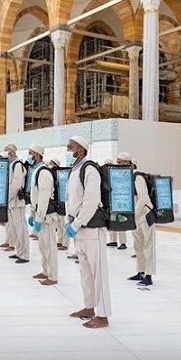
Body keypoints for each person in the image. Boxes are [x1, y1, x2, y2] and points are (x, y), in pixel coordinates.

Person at [64, 135, 111, 329]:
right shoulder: (73, 171)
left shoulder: (89, 169)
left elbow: (91, 201)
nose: (67, 150)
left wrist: (76, 225)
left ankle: (103, 315)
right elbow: (70, 199)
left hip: (91, 228)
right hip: (78, 228)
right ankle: (89, 307)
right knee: (85, 272)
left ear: (80, 150)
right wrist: (69, 221)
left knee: (98, 273)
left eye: (70, 147)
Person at [117, 152, 156, 286]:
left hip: (145, 215)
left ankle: (149, 275)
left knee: (148, 246)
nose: (119, 164)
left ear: (130, 164)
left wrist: (133, 215)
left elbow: (143, 198)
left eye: (121, 162)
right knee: (138, 245)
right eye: (118, 162)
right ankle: (140, 271)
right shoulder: (126, 178)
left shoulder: (137, 177)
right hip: (136, 216)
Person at [28, 144, 59, 285]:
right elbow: (35, 195)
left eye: (31, 153)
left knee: (50, 247)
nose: (29, 156)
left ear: (38, 155)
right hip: (40, 214)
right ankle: (45, 271)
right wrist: (32, 213)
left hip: (47, 215)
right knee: (42, 246)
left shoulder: (44, 172)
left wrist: (39, 217)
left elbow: (44, 196)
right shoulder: (37, 171)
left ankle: (52, 276)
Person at [5, 143, 29, 263]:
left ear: (12, 152)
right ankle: (19, 251)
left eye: (7, 151)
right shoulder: (12, 164)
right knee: (15, 228)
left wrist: (8, 197)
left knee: (21, 228)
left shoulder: (18, 165)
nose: (5, 153)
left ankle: (24, 254)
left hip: (17, 201)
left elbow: (16, 184)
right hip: (12, 201)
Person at [48, 157, 69, 251]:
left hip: (63, 202)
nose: (50, 164)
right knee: (58, 224)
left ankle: (65, 243)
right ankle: (60, 241)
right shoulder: (51, 174)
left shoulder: (62, 174)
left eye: (52, 163)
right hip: (56, 202)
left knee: (64, 223)